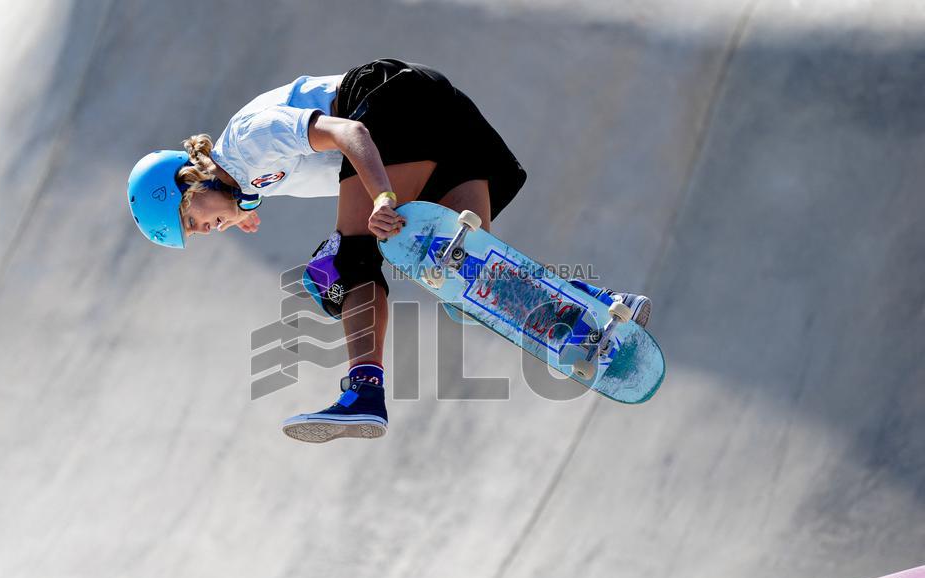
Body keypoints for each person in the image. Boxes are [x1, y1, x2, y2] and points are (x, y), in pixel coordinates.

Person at [127, 58, 651, 443]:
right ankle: (592, 310)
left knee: (346, 262)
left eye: (194, 223)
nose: (206, 230)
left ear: (188, 182)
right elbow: (254, 182)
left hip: (398, 103)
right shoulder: (246, 172)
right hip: (446, 118)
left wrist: (381, 194)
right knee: (467, 278)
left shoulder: (245, 140)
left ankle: (363, 391)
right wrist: (239, 209)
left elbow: (351, 130)